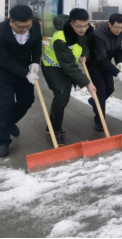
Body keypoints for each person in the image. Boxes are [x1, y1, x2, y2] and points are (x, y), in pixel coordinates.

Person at [0, 5, 43, 158]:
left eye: (28, 26)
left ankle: (9, 122)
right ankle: (3, 141)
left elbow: (37, 44)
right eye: (20, 27)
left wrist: (35, 63)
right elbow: (4, 60)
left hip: (24, 69)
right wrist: (27, 74)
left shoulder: (34, 25)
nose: (25, 29)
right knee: (6, 104)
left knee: (27, 100)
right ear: (11, 21)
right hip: (1, 72)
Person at [41, 8, 97, 146]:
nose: (83, 29)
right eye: (79, 26)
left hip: (67, 65)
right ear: (71, 24)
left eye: (86, 25)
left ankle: (51, 124)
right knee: (61, 94)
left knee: (63, 96)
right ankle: (56, 129)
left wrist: (84, 53)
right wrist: (87, 83)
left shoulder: (87, 30)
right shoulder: (60, 37)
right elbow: (69, 66)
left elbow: (86, 43)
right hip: (52, 66)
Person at [86, 13, 122, 131]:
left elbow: (118, 49)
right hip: (94, 64)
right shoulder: (98, 34)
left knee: (110, 89)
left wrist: (119, 62)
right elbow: (101, 58)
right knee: (101, 91)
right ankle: (99, 120)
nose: (119, 30)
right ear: (109, 24)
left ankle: (94, 101)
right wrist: (116, 73)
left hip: (106, 64)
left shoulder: (120, 32)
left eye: (121, 27)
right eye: (116, 27)